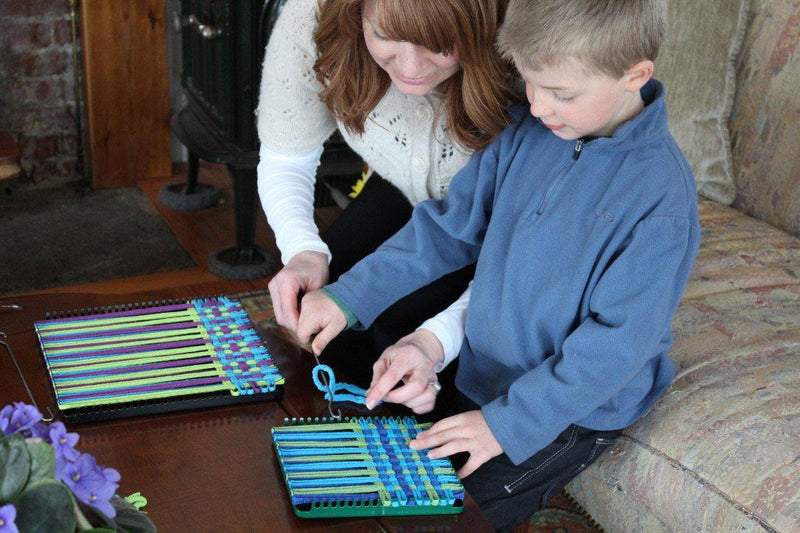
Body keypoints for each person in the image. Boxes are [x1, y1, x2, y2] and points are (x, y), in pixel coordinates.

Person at [294, 0, 702, 530]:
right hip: (485, 379)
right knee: (370, 482)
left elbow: (613, 349)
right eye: (529, 84)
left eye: (561, 94)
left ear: (635, 76)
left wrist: (503, 426)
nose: (536, 107)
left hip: (567, 416)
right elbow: (445, 230)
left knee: (443, 517)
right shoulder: (529, 132)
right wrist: (349, 296)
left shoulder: (660, 201)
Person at [255, 0, 518, 388]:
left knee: (407, 338)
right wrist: (302, 249)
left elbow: (540, 251)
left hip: (511, 220)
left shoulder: (526, 33)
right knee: (331, 313)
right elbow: (286, 156)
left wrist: (438, 338)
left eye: (440, 43)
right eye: (384, 35)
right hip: (404, 194)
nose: (410, 69)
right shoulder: (310, 17)